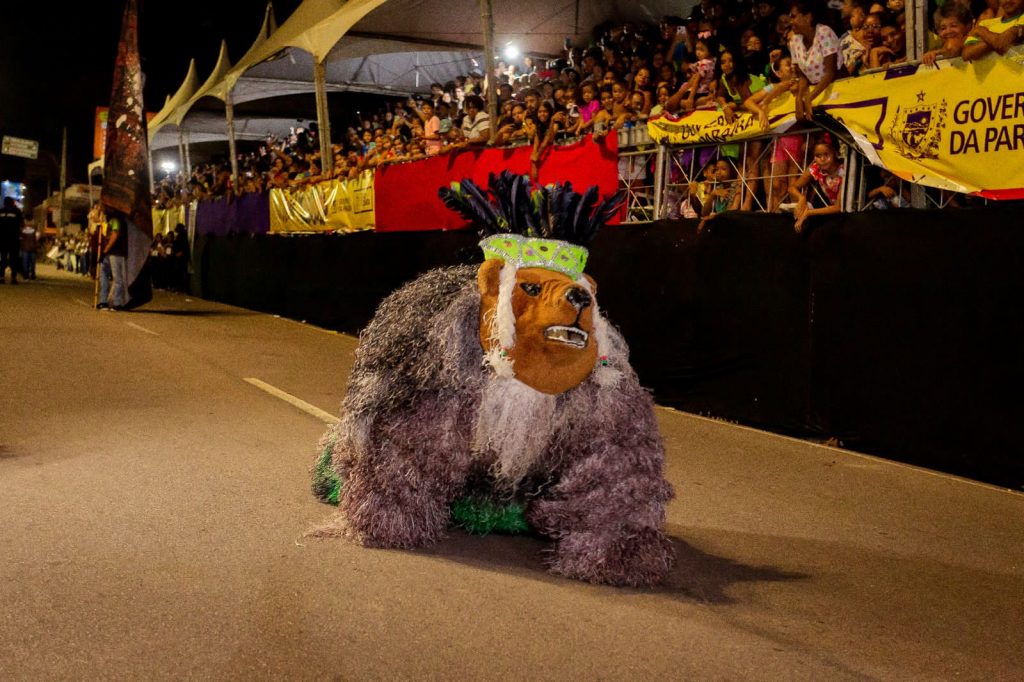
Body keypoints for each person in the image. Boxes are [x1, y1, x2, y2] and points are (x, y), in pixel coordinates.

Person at [788, 0, 840, 122]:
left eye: (794, 17)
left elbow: (830, 73)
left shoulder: (824, 32)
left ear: (808, 17)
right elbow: (803, 76)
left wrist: (809, 98)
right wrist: (799, 98)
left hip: (838, 89)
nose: (791, 21)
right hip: (817, 94)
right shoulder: (794, 41)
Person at [788, 134, 845, 233]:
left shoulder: (843, 171)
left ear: (835, 153)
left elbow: (838, 207)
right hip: (830, 214)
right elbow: (792, 187)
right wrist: (801, 198)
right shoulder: (815, 168)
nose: (822, 159)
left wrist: (808, 213)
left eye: (826, 155)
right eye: (818, 156)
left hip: (848, 214)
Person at [100, 205, 129, 310]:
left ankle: (116, 303)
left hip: (116, 253)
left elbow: (114, 235)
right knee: (103, 275)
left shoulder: (116, 220)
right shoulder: (110, 221)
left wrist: (106, 250)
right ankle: (103, 301)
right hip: (110, 253)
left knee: (118, 279)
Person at [0, 197, 23, 284]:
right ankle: (13, 278)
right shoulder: (16, 211)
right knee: (14, 258)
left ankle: (1, 277)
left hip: (2, 239)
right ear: (12, 203)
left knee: (3, 258)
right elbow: (21, 223)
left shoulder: (1, 211)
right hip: (13, 239)